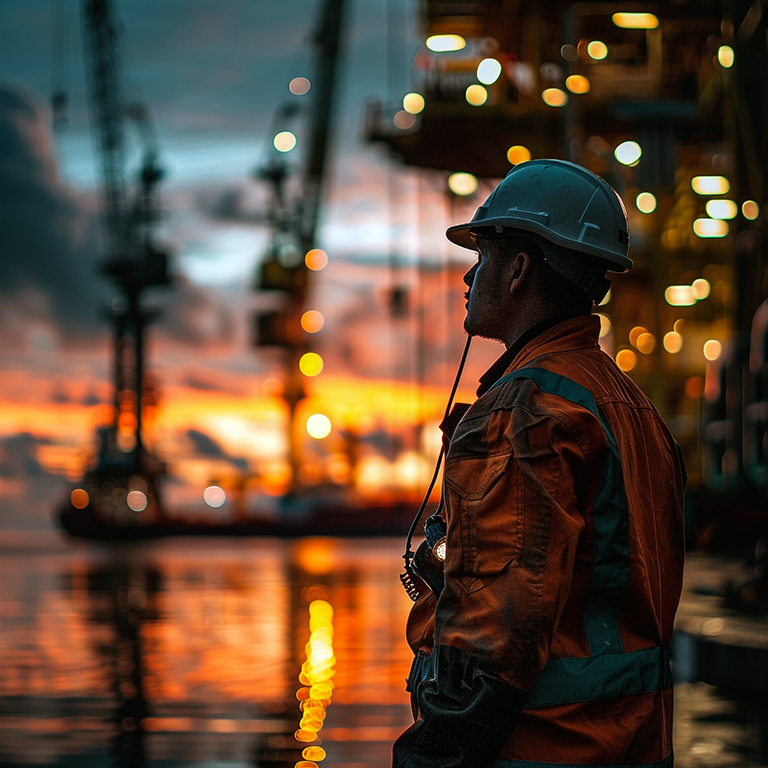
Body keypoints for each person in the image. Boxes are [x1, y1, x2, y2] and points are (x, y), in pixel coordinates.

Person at [393, 159, 686, 768]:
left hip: (540, 748)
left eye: (483, 256)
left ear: (520, 269)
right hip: (632, 745)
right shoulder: (630, 406)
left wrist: (436, 755)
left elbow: (494, 634)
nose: (469, 275)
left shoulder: (523, 411)